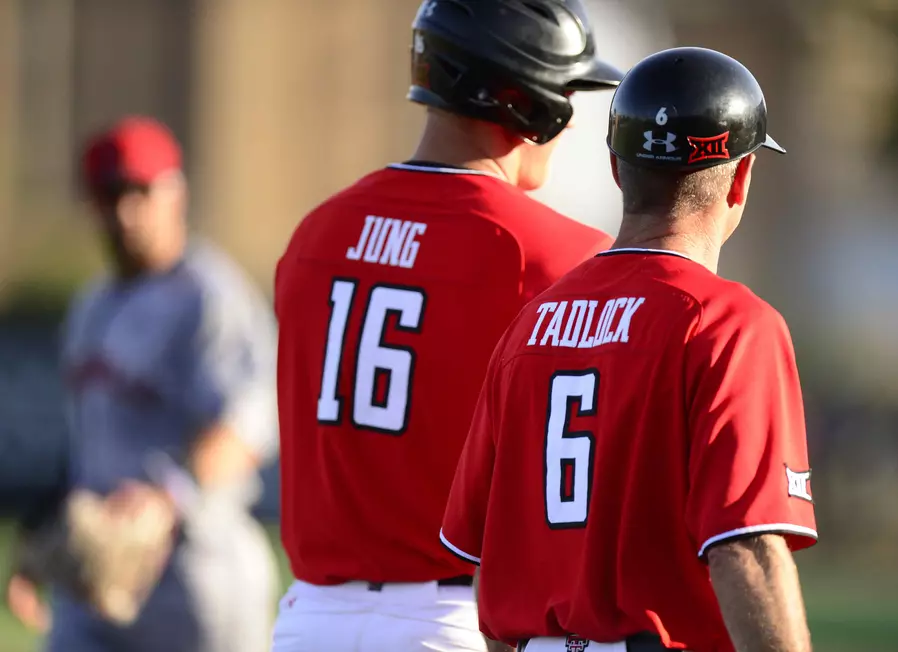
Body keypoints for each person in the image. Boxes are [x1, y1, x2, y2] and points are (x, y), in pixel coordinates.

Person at [440, 47, 818, 652]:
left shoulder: (531, 324)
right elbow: (746, 548)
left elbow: (486, 556)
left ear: (618, 168)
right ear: (740, 178)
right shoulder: (730, 323)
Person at [271, 1, 622, 650]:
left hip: (309, 620)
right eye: (568, 93)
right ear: (530, 104)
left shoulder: (316, 233)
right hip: (455, 619)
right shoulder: (556, 254)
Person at [4, 115, 281, 652]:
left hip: (196, 574)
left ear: (175, 191)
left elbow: (248, 425)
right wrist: (44, 536)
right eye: (111, 195)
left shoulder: (210, 297)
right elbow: (86, 445)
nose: (126, 212)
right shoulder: (92, 306)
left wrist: (166, 496)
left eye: (140, 191)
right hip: (97, 571)